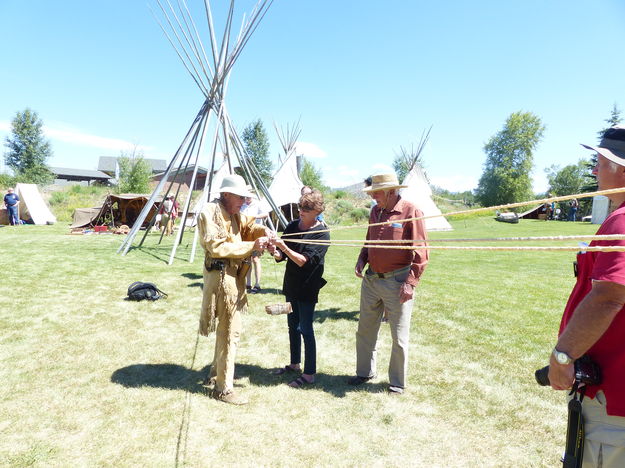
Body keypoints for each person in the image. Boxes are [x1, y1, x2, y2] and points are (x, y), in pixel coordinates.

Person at [548, 125, 625, 467]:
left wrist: (564, 356)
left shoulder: (621, 222)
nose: (594, 170)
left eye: (600, 162)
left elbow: (608, 297)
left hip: (614, 396)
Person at [348, 172, 429, 394]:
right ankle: (364, 373)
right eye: (372, 192)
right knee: (365, 329)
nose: (374, 197)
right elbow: (370, 238)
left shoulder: (411, 211)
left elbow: (421, 251)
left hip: (397, 282)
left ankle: (396, 382)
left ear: (392, 191)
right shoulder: (375, 211)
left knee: (399, 336)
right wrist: (362, 258)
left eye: (377, 193)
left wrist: (410, 283)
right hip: (372, 279)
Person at [197, 174, 271, 405]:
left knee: (228, 329)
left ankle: (215, 374)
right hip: (220, 278)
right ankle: (223, 388)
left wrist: (264, 233)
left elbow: (249, 227)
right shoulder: (209, 213)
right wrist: (252, 245)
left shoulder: (235, 213)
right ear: (226, 194)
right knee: (230, 331)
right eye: (240, 197)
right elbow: (217, 247)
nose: (244, 201)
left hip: (234, 276)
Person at [268, 189, 329, 388]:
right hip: (291, 285)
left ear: (317, 210)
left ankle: (310, 373)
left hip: (308, 287)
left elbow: (303, 261)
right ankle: (295, 364)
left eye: (307, 208)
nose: (301, 211)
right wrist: (275, 251)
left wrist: (283, 247)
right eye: (301, 207)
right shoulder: (293, 226)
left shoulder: (322, 233)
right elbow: (281, 256)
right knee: (292, 327)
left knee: (305, 328)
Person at [241, 193, 269, 293]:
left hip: (256, 234)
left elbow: (266, 214)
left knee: (256, 259)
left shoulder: (258, 204)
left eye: (249, 196)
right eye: (246, 196)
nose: (247, 198)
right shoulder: (242, 204)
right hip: (245, 235)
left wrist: (254, 217)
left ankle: (257, 284)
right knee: (247, 259)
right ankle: (248, 283)